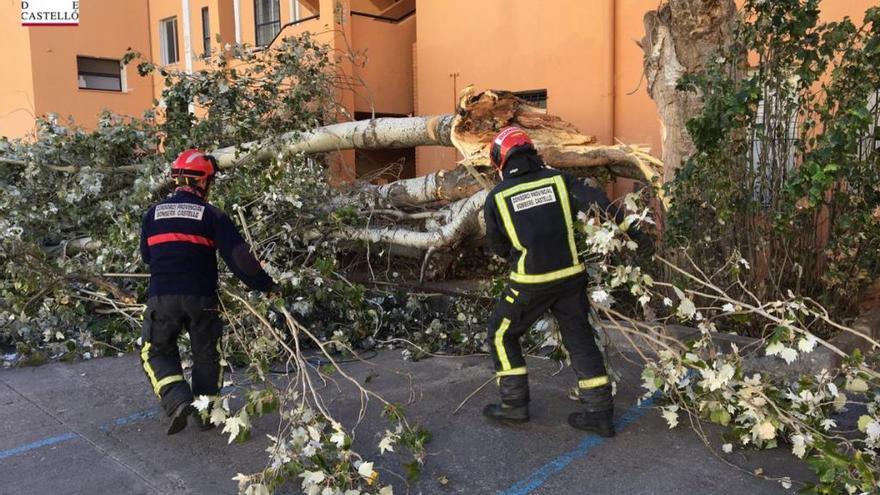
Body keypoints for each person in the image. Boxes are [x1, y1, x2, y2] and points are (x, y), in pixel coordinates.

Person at [481, 127, 650, 437]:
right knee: (580, 339)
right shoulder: (560, 180)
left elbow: (499, 247)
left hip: (529, 282)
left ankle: (514, 404)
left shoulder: (497, 197)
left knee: (501, 333)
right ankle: (599, 414)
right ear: (531, 151)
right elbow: (599, 203)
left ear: (500, 160)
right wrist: (634, 234)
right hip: (570, 277)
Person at [139, 149, 277, 435]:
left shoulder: (152, 214)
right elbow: (240, 260)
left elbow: (147, 257)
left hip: (163, 295)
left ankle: (177, 399)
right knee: (206, 355)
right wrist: (267, 286)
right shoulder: (212, 215)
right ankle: (207, 414)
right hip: (202, 297)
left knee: (156, 350)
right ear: (203, 181)